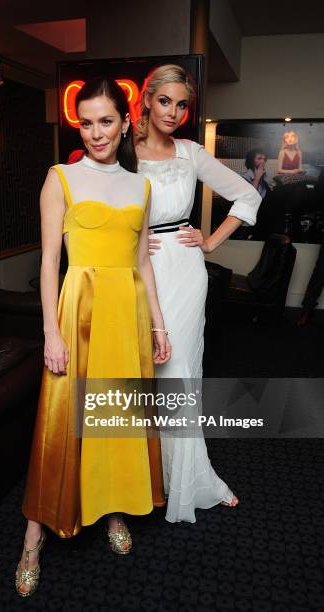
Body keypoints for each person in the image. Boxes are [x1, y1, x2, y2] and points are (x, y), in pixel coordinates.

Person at [16, 77, 171, 597]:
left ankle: (113, 512)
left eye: (107, 121)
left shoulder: (140, 185)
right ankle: (33, 537)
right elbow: (48, 264)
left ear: (126, 123)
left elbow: (142, 262)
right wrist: (49, 332)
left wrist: (158, 323)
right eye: (87, 122)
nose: (97, 132)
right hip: (78, 310)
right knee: (61, 423)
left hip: (125, 314)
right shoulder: (59, 178)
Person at [135, 64, 261, 524]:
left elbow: (248, 196)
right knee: (143, 372)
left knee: (179, 371)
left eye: (182, 104)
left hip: (185, 271)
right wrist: (125, 241)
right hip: (138, 271)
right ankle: (148, 479)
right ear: (147, 100)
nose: (173, 111)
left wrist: (209, 241)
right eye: (165, 100)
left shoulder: (190, 152)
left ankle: (192, 480)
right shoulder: (123, 152)